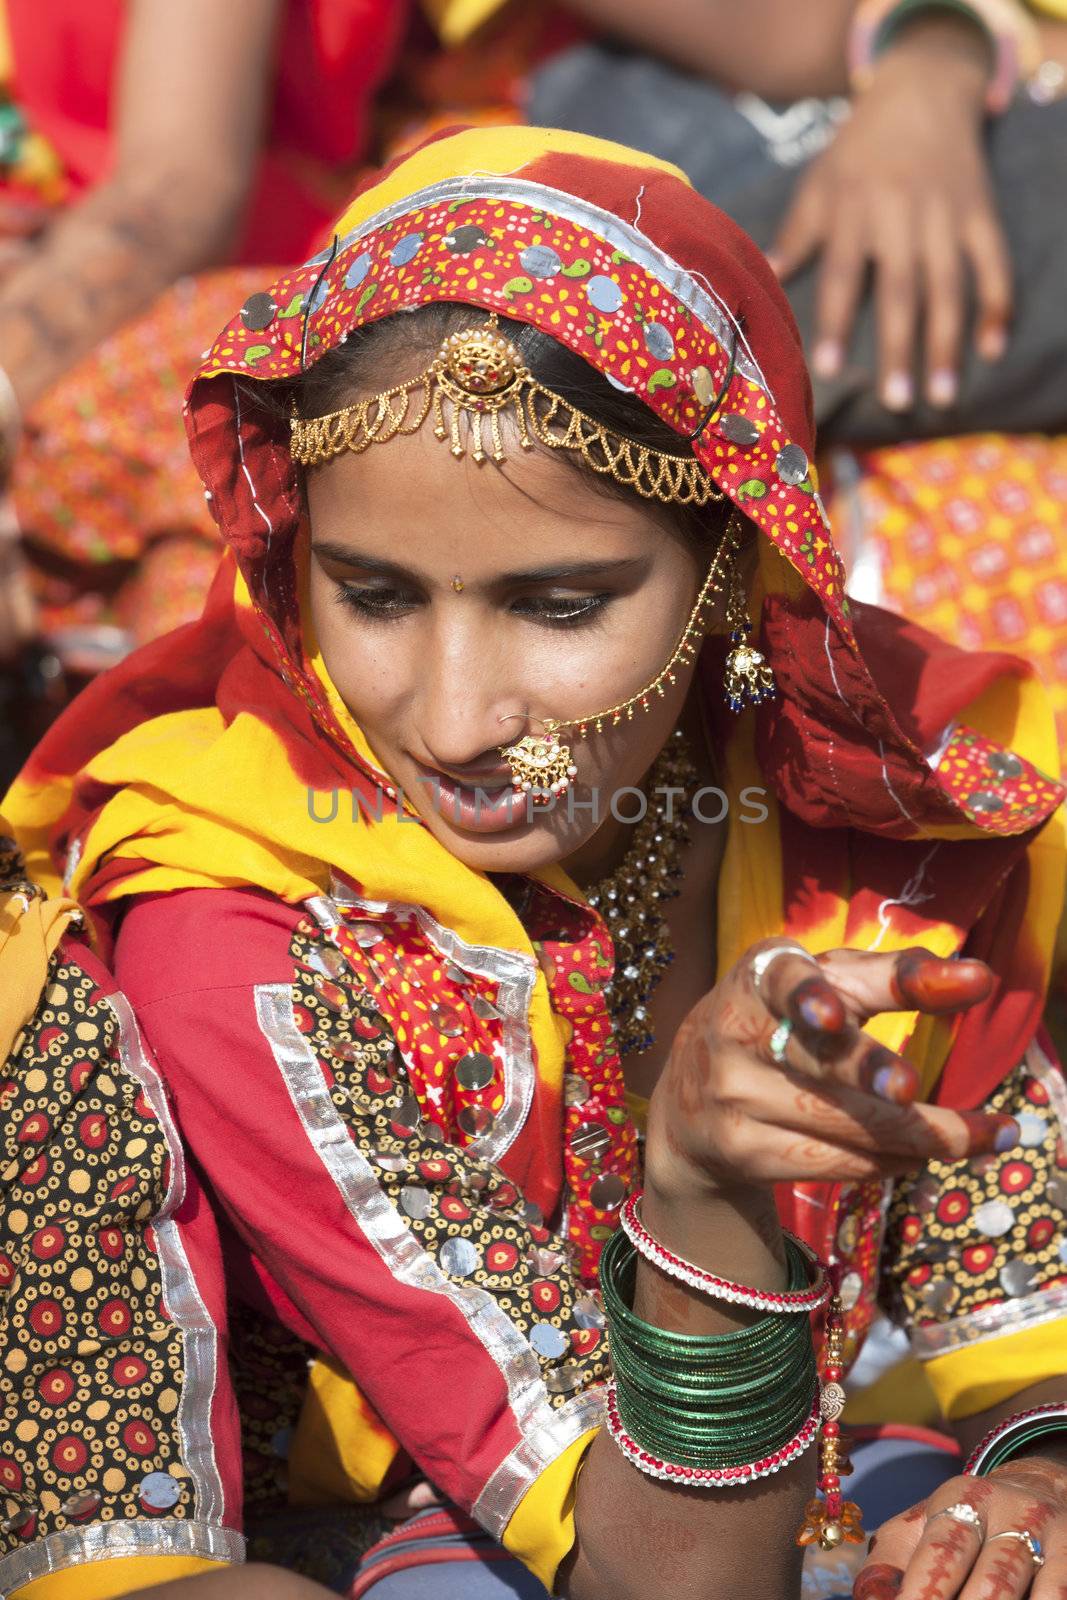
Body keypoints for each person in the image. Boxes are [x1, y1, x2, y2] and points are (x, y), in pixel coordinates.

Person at [3, 124, 1067, 1600]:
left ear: (732, 567)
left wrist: (1038, 1485)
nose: (451, 718)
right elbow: (662, 1575)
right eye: (372, 594)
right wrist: (703, 1202)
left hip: (830, 1489)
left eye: (557, 606)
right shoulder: (249, 925)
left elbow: (1016, 1311)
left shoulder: (888, 824)